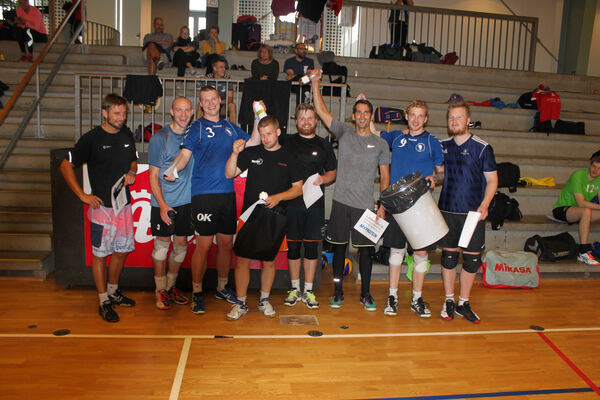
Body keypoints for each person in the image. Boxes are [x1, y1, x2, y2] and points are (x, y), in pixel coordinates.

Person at [164, 86, 259, 315]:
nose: (210, 103)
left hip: (227, 194)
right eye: (205, 100)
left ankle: (222, 287)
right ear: (201, 104)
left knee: (226, 244)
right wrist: (174, 170)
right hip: (204, 195)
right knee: (204, 246)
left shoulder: (229, 127)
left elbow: (254, 142)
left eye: (213, 99)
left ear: (220, 100)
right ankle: (197, 292)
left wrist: (258, 117)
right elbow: (184, 155)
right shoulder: (196, 127)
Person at [310, 70, 391, 311]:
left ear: (371, 116)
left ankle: (366, 294)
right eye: (359, 112)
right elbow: (321, 111)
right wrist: (315, 83)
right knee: (339, 249)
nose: (363, 116)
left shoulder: (381, 144)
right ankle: (337, 292)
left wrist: (383, 206)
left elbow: (385, 177)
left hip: (365, 207)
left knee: (366, 253)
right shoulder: (344, 133)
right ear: (354, 116)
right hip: (341, 204)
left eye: (367, 113)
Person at [59, 94, 138, 323]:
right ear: (104, 113)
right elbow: (65, 166)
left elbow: (133, 160)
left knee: (121, 251)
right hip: (102, 209)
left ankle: (113, 291)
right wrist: (82, 195)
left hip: (123, 206)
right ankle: (103, 300)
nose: (121, 117)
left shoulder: (126, 134)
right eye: (116, 113)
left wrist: (132, 171)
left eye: (124, 113)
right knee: (101, 256)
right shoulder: (91, 139)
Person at [225, 116, 304, 320]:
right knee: (242, 260)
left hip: (275, 217)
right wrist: (235, 153)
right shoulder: (252, 153)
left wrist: (278, 198)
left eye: (269, 134)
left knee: (269, 261)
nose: (265, 138)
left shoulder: (290, 157)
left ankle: (264, 300)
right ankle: (240, 303)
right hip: (249, 215)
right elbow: (229, 173)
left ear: (278, 132)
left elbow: (298, 189)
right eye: (262, 135)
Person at [373, 99, 443, 318]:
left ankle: (416, 299)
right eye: (412, 114)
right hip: (397, 205)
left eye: (420, 115)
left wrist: (435, 179)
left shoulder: (432, 142)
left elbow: (442, 173)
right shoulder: (396, 137)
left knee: (421, 253)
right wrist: (363, 102)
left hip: (421, 206)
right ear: (406, 116)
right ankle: (392, 297)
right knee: (396, 252)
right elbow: (373, 131)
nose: (416, 119)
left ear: (426, 118)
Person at [437, 101, 498, 324]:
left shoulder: (482, 148)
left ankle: (463, 302)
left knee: (471, 261)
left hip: (473, 214)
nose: (454, 121)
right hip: (447, 210)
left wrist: (485, 204)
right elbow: (442, 176)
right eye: (451, 117)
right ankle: (449, 300)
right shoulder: (442, 146)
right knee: (449, 257)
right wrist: (434, 178)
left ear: (468, 120)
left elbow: (492, 180)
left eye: (459, 117)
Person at [283, 103, 337, 310]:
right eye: (302, 118)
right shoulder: (286, 141)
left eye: (309, 118)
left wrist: (324, 179)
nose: (306, 122)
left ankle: (308, 290)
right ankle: (294, 289)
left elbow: (332, 172)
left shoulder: (324, 145)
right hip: (291, 204)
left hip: (315, 204)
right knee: (294, 247)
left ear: (316, 121)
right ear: (296, 121)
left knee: (312, 247)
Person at [148, 97, 194, 310]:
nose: (183, 114)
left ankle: (170, 287)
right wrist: (162, 205)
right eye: (179, 110)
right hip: (164, 203)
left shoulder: (193, 135)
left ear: (192, 112)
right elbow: (153, 176)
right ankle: (160, 290)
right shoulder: (160, 138)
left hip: (186, 203)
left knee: (181, 245)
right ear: (171, 112)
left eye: (187, 110)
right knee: (161, 247)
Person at [552, 151, 600, 265]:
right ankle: (583, 252)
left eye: (599, 168)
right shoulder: (578, 175)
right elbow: (581, 203)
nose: (595, 170)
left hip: (580, 212)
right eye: (594, 166)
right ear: (590, 165)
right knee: (586, 211)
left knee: (586, 212)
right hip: (563, 209)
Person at [196, 57, 236, 122]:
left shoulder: (228, 79)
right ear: (214, 68)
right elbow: (202, 96)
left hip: (222, 106)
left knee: (232, 105)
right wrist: (212, 102)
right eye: (221, 67)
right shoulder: (207, 79)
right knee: (199, 105)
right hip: (209, 104)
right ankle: (197, 125)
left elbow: (230, 98)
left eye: (224, 67)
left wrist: (218, 102)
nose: (224, 69)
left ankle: (233, 127)